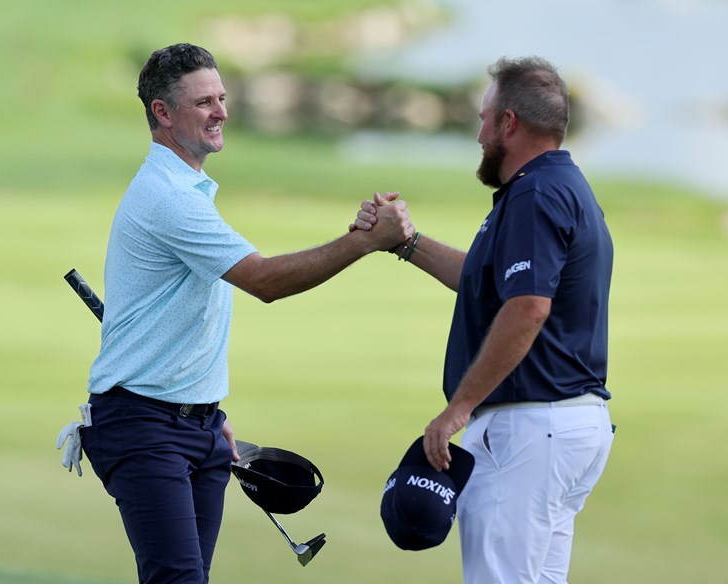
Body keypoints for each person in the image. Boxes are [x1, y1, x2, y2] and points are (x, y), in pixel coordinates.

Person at [78, 43, 414, 584]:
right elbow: (264, 280)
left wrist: (206, 407)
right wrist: (366, 242)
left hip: (198, 423)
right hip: (142, 428)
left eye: (222, 98)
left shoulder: (189, 189)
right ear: (163, 113)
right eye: (204, 101)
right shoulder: (169, 197)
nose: (221, 112)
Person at [355, 56, 615, 583]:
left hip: (528, 430)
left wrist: (458, 409)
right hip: (568, 428)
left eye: (484, 118)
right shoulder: (562, 186)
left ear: (509, 123)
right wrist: (405, 242)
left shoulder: (534, 194)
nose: (478, 134)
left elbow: (527, 307)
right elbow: (488, 281)